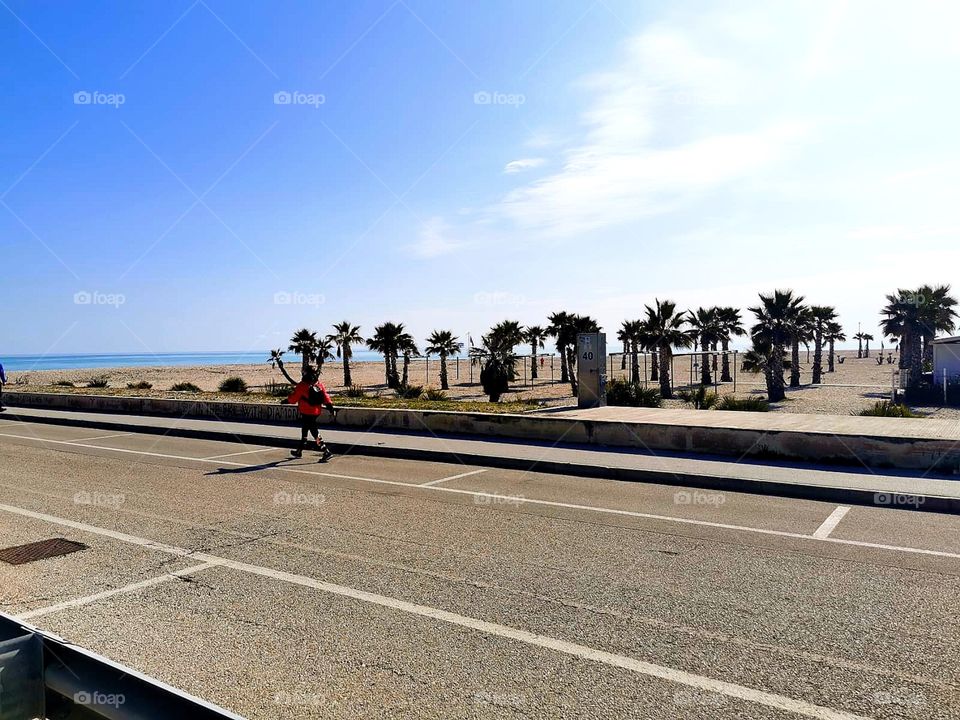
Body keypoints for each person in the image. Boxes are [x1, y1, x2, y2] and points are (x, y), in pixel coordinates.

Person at [281, 370, 337, 461]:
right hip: (316, 411)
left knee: (313, 430)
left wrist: (285, 401)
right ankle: (300, 449)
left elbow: (294, 398)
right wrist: (330, 407)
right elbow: (325, 396)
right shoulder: (318, 384)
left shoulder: (302, 385)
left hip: (306, 411)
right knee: (305, 427)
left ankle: (326, 451)